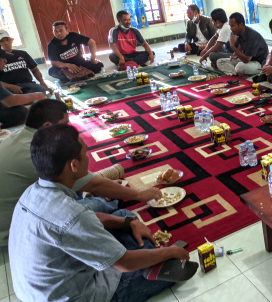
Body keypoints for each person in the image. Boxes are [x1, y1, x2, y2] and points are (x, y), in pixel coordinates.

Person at [9, 124, 195, 301]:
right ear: (74, 166)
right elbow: (125, 263)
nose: (88, 157)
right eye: (86, 153)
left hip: (36, 291)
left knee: (123, 216)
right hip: (76, 296)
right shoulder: (70, 214)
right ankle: (149, 258)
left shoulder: (33, 192)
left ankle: (142, 253)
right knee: (172, 270)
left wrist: (128, 222)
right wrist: (169, 252)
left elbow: (86, 219)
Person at [0, 99, 162, 248]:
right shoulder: (38, 152)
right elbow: (94, 184)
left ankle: (107, 200)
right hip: (16, 232)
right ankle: (108, 201)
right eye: (65, 124)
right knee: (104, 206)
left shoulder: (20, 137)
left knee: (101, 200)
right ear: (48, 126)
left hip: (31, 212)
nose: (70, 129)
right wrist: (139, 195)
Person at [0, 50, 46, 128]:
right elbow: (11, 101)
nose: (5, 61)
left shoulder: (22, 53)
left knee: (39, 89)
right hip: (9, 90)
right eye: (3, 59)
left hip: (25, 85)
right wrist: (38, 95)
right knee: (20, 112)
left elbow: (35, 69)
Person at [215, 12, 268, 76]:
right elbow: (239, 49)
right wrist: (234, 55)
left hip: (258, 63)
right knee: (220, 62)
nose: (231, 29)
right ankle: (235, 74)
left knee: (239, 67)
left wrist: (233, 46)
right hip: (247, 61)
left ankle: (236, 72)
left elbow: (246, 60)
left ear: (241, 24)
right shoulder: (239, 33)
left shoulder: (252, 36)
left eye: (233, 26)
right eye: (230, 26)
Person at [0, 30, 52, 94]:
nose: (6, 43)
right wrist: (11, 87)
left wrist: (42, 82)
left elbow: (35, 70)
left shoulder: (22, 54)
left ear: (11, 40)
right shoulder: (0, 59)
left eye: (7, 40)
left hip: (27, 85)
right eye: (2, 41)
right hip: (8, 88)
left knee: (41, 89)